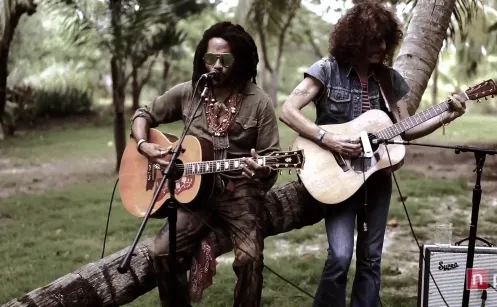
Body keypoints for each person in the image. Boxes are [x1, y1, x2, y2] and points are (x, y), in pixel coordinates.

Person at [279, 1, 467, 307]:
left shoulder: (389, 80)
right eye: (373, 39)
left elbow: (405, 129)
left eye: (384, 39)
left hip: (376, 178)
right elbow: (288, 111)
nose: (381, 46)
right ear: (355, 39)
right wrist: (330, 140)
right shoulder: (327, 70)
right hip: (336, 177)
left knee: (370, 259)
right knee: (340, 257)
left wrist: (448, 114)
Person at [130, 21, 281, 307]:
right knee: (162, 251)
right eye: (211, 58)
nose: (217, 66)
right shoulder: (190, 92)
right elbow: (143, 114)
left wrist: (261, 170)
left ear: (241, 61)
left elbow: (271, 157)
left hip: (239, 193)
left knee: (250, 258)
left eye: (225, 59)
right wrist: (143, 145)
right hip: (194, 193)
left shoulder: (259, 102)